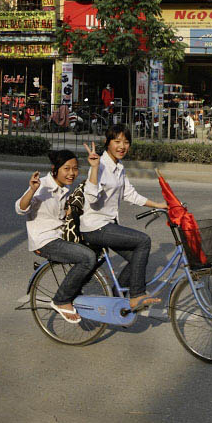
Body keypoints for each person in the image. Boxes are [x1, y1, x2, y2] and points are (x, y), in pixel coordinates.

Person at [81, 126, 167, 311]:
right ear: (107, 142)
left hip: (108, 225)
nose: (122, 146)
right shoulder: (100, 165)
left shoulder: (118, 166)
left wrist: (159, 205)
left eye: (126, 142)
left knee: (137, 256)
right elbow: (91, 198)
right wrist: (94, 169)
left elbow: (130, 194)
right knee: (144, 241)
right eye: (117, 141)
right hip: (96, 226)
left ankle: (115, 299)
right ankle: (136, 295)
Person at [15, 149, 96, 324]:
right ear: (55, 169)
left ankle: (74, 289)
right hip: (45, 240)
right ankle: (61, 299)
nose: (71, 173)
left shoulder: (64, 188)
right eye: (66, 168)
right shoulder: (42, 186)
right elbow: (20, 208)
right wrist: (32, 190)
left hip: (59, 236)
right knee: (88, 257)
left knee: (97, 248)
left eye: (75, 169)